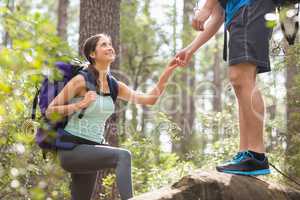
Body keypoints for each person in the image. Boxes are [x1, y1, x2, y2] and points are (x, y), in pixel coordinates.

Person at [45, 33, 180, 200]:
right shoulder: (80, 81)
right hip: (71, 149)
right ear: (92, 54)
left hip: (92, 148)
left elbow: (149, 99)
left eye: (110, 44)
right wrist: (79, 104)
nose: (110, 47)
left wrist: (167, 71)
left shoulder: (114, 85)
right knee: (123, 156)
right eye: (103, 45)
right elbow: (50, 111)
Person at [176, 0, 276, 176]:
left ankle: (256, 156)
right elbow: (218, 16)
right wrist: (190, 49)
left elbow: (212, 11)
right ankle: (245, 153)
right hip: (242, 14)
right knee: (241, 83)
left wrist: (206, 7)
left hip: (250, 8)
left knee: (242, 78)